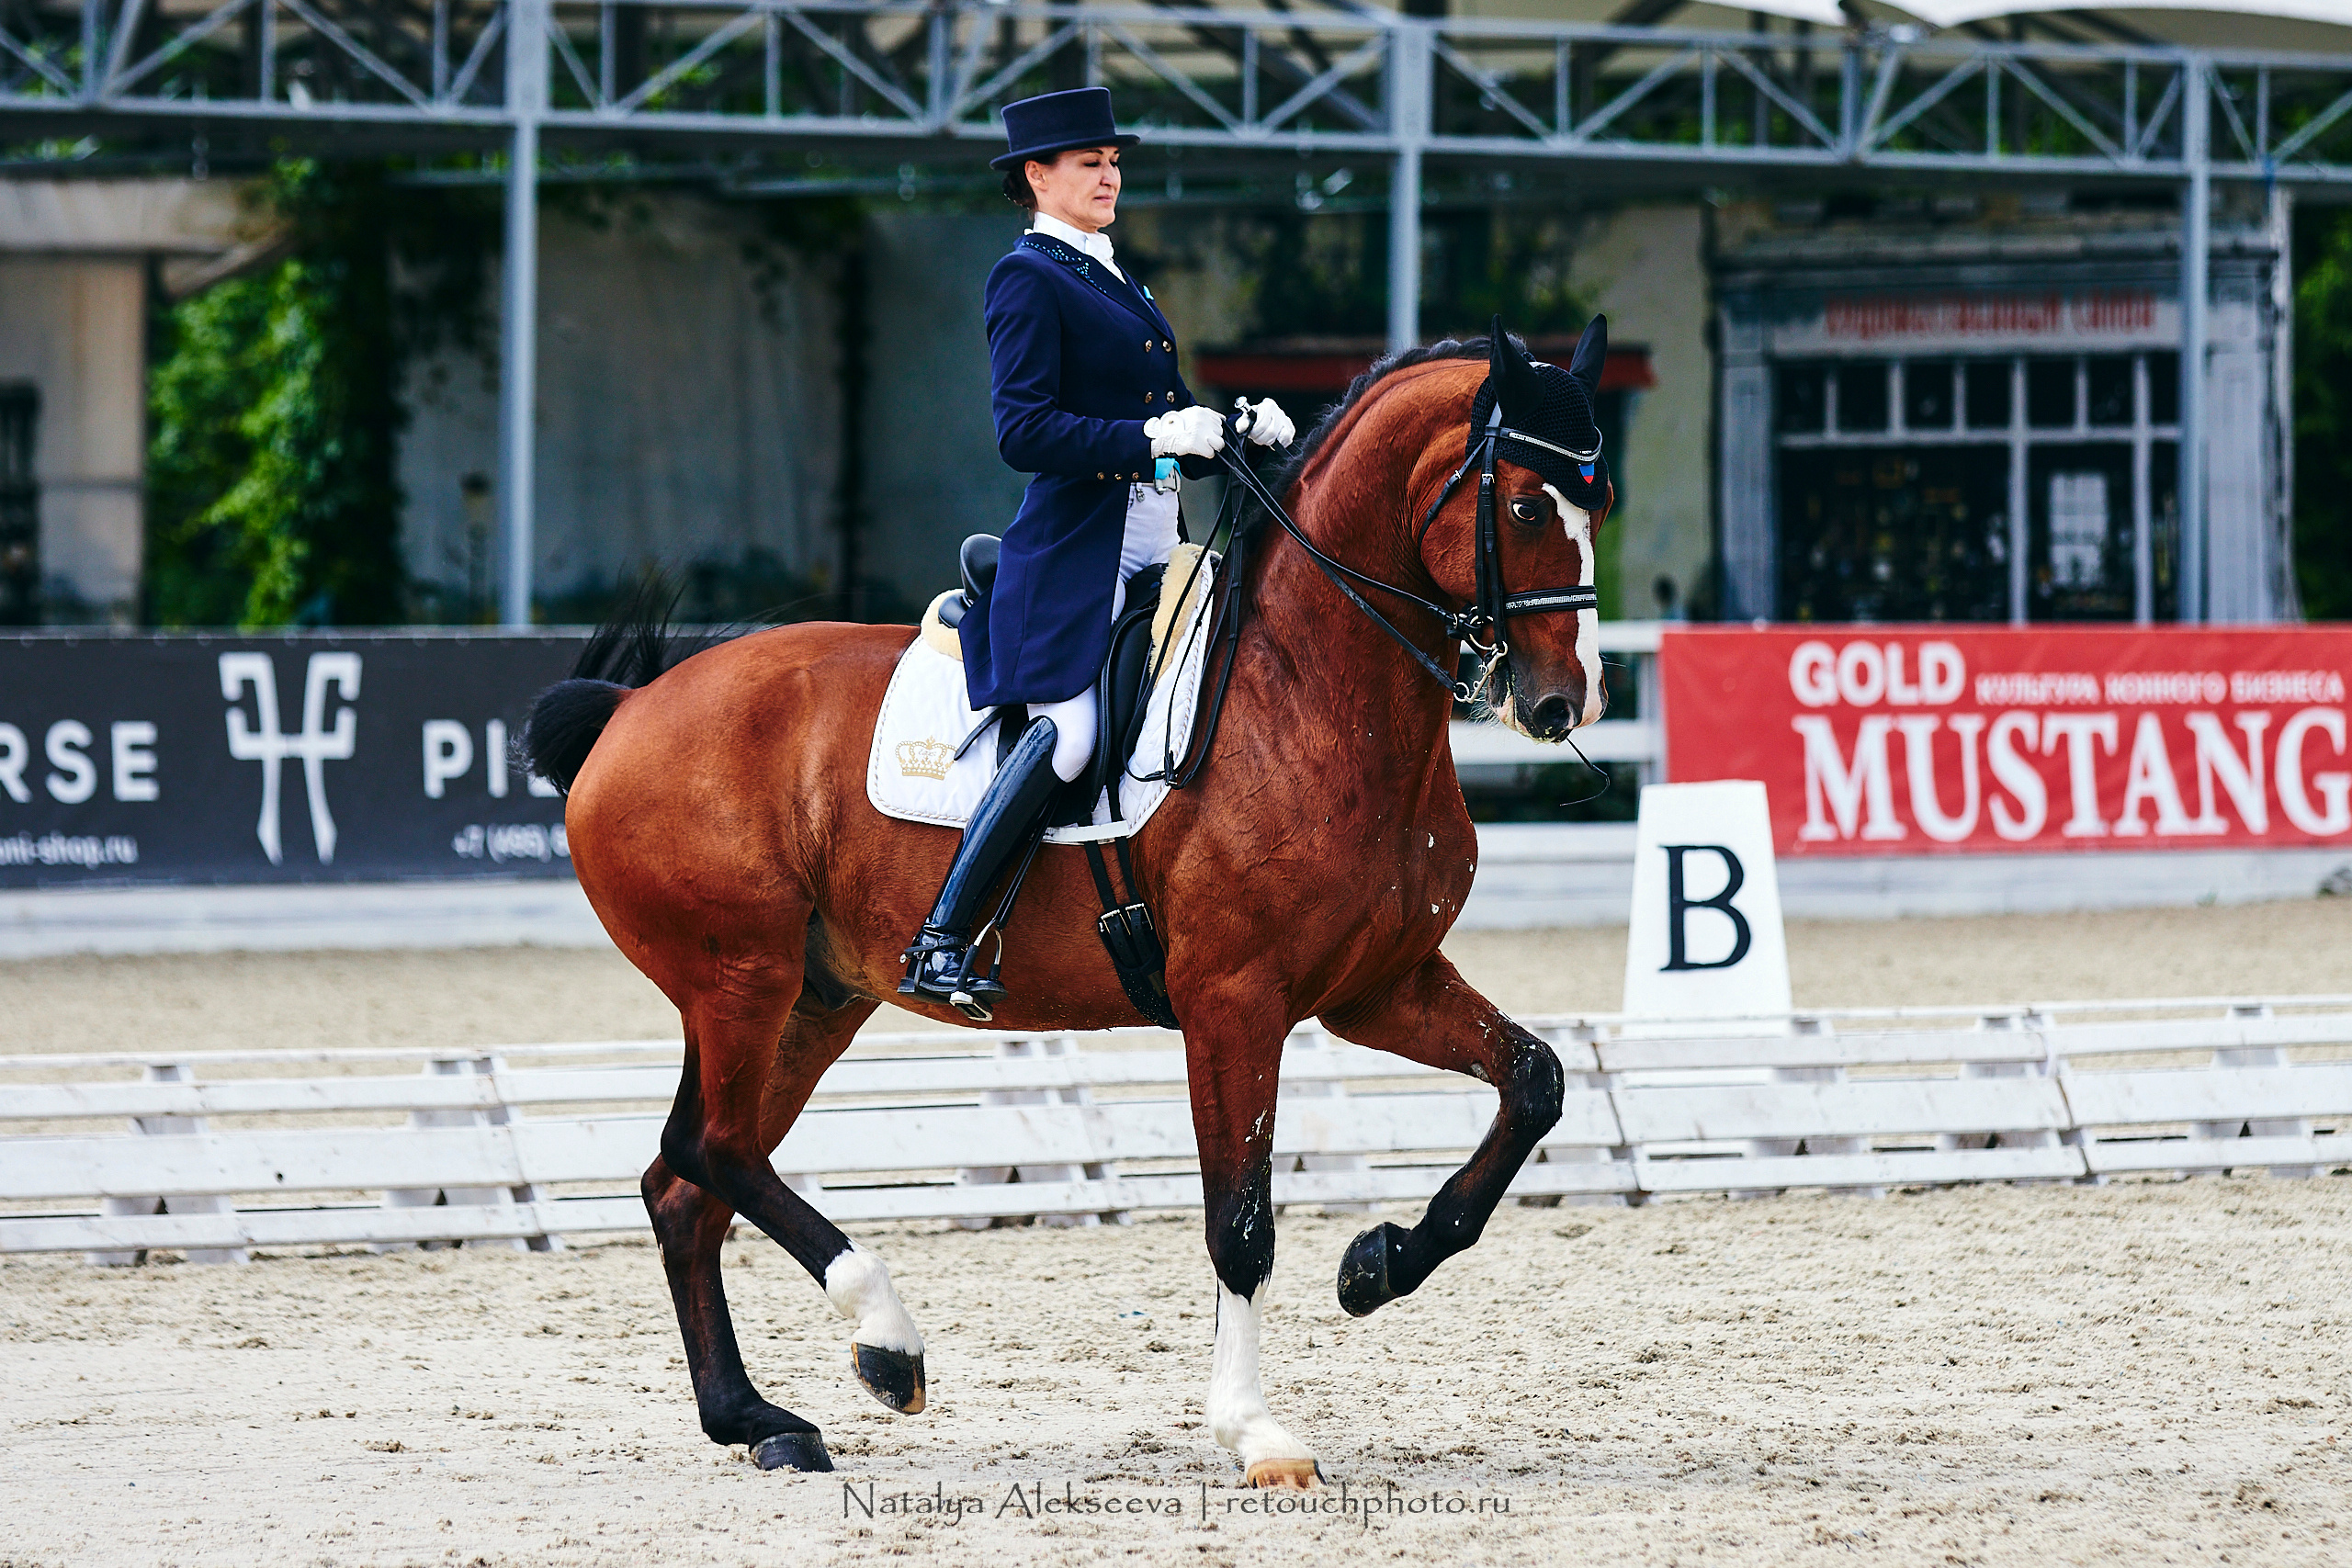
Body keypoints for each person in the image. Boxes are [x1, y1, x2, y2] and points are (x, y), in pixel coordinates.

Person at [899, 86, 1295, 1014]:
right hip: (1080, 556)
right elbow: (1025, 431)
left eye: (1114, 161)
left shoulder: (1114, 275)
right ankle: (942, 938)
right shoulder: (1026, 277)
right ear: (1038, 176)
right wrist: (1155, 440)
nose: (1110, 176)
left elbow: (1162, 413)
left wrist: (1237, 427)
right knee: (1071, 735)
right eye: (1090, 163)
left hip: (1162, 547)